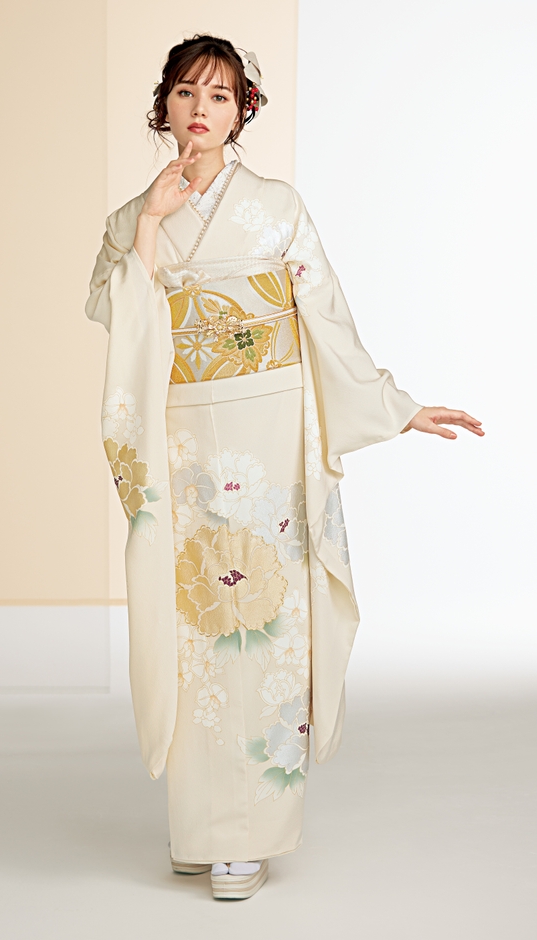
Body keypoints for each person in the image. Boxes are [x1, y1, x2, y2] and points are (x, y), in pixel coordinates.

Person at [85, 34, 484, 900]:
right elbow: (123, 322)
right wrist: (149, 222)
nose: (200, 108)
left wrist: (395, 405)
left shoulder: (276, 208)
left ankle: (251, 834)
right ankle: (201, 828)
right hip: (183, 436)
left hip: (267, 431)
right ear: (163, 106)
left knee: (262, 618)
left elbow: (326, 318)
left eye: (219, 96)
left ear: (242, 112)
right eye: (186, 91)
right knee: (198, 626)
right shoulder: (132, 217)